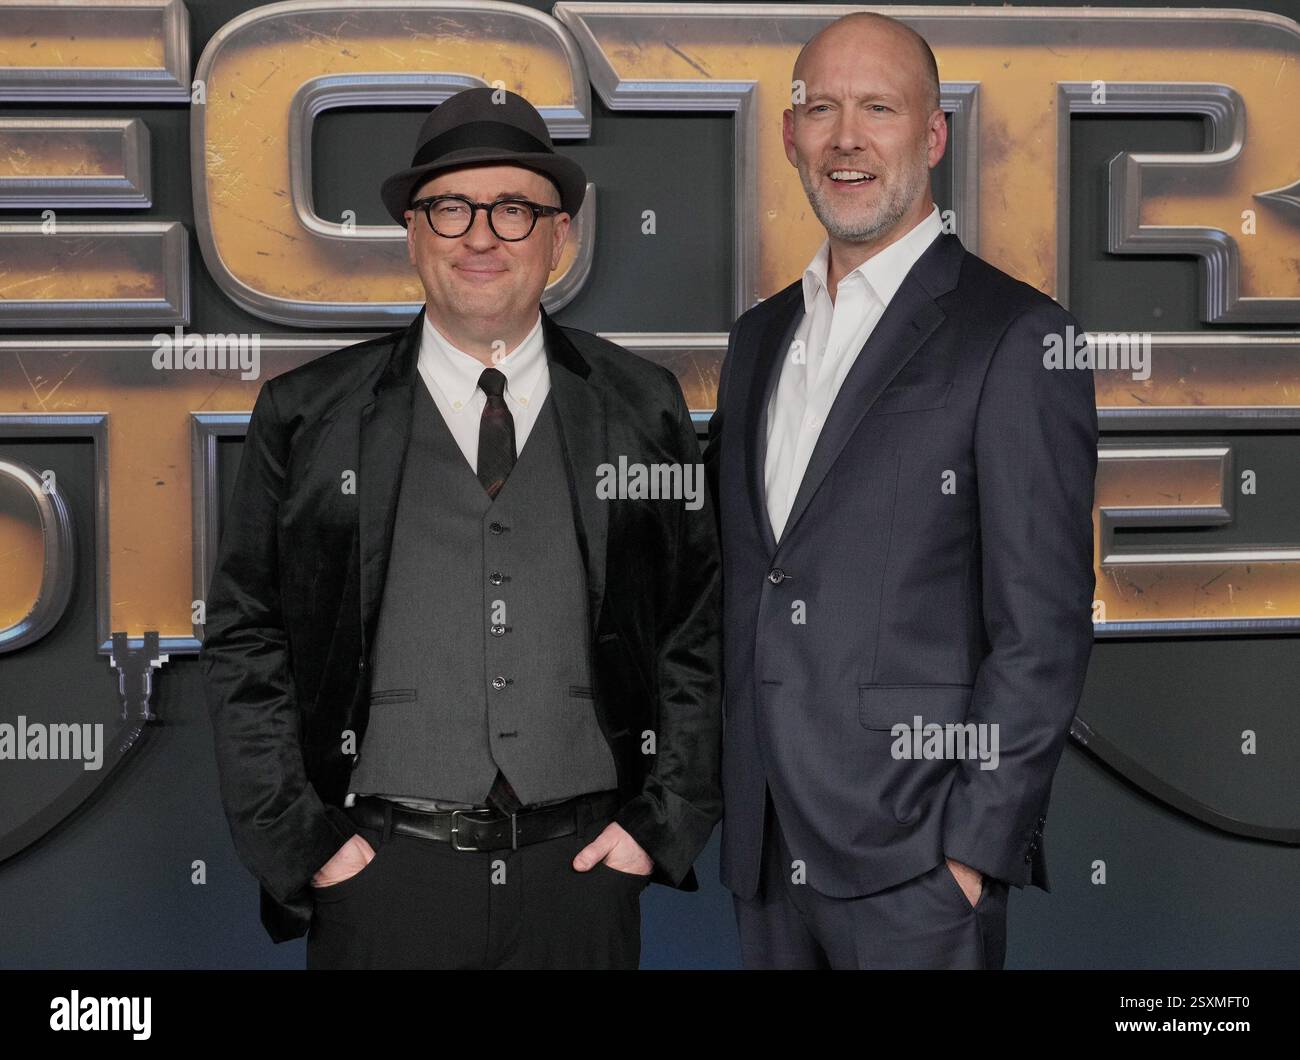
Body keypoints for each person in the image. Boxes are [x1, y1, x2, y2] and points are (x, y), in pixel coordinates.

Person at [203, 87, 722, 969]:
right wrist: (305, 845)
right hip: (382, 880)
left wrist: (661, 826)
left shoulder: (643, 406)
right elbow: (247, 638)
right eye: (451, 208)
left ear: (560, 237)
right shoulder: (307, 415)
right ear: (413, 232)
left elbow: (696, 630)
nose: (481, 236)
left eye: (515, 210)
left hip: (581, 878)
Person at [704, 12, 1098, 969]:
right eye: (822, 108)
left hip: (918, 863)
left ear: (931, 136)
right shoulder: (759, 339)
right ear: (791, 135)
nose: (846, 137)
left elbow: (1043, 627)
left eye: (878, 107)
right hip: (765, 848)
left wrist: (972, 853)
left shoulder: (1015, 337)